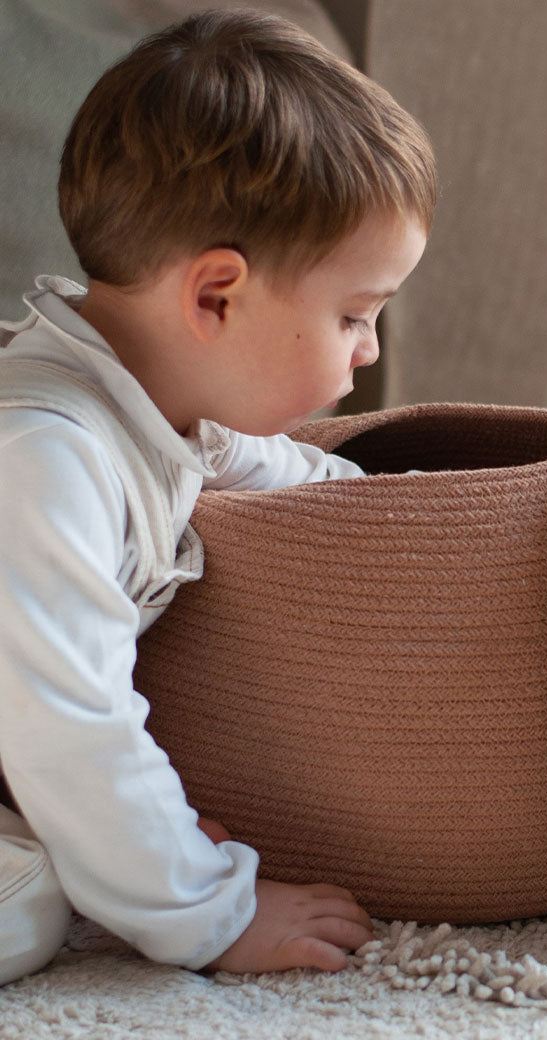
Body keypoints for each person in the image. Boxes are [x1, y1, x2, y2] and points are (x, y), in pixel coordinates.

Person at [0, 9, 435, 984]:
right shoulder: (44, 456)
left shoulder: (165, 410)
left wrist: (458, 517)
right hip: (29, 731)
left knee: (74, 853)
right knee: (27, 902)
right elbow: (70, 720)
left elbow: (322, 495)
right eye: (353, 315)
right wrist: (208, 907)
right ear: (214, 297)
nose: (367, 352)